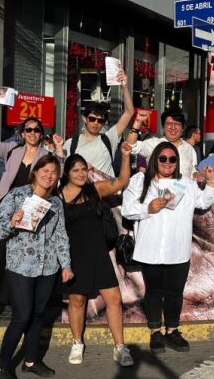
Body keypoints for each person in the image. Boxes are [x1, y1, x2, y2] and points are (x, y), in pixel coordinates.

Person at [121, 143, 214, 354]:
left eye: (172, 159)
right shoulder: (141, 181)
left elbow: (203, 203)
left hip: (178, 249)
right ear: (155, 159)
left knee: (175, 293)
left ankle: (172, 330)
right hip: (150, 248)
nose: (167, 163)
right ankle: (155, 331)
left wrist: (210, 184)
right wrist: (147, 208)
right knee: (154, 292)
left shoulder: (185, 183)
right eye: (162, 158)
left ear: (177, 161)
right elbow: (127, 209)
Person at [0, 155, 73, 379]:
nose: (49, 175)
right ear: (35, 172)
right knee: (22, 316)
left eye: (54, 172)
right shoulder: (18, 195)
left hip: (48, 268)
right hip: (21, 267)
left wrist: (66, 264)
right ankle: (2, 366)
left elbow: (60, 235)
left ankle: (31, 359)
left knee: (38, 315)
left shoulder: (55, 202)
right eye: (44, 170)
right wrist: (11, 223)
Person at [0, 106, 61, 322]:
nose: (32, 133)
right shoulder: (12, 150)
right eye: (29, 130)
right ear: (22, 133)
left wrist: (59, 149)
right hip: (7, 214)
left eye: (37, 130)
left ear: (42, 134)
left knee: (23, 260)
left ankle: (17, 303)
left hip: (33, 215)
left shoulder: (45, 155)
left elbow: (58, 171)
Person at [59, 150, 133, 367]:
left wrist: (126, 156)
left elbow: (121, 181)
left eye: (84, 169)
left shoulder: (95, 189)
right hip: (74, 255)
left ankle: (120, 347)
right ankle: (77, 342)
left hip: (99, 254)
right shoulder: (59, 195)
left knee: (114, 299)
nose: (81, 174)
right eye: (76, 170)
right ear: (67, 173)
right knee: (77, 300)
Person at [63, 70, 133, 178]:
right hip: (81, 192)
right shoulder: (71, 143)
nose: (96, 123)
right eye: (92, 119)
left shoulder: (109, 139)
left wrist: (124, 87)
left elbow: (129, 112)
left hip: (106, 193)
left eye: (100, 120)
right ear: (84, 119)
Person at [128, 109, 198, 178]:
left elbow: (192, 173)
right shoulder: (153, 143)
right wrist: (137, 122)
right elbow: (131, 146)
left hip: (184, 188)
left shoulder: (190, 149)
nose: (173, 127)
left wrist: (198, 175)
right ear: (163, 127)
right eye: (169, 124)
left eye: (177, 124)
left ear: (182, 128)